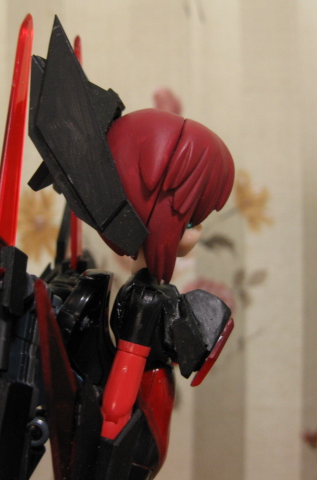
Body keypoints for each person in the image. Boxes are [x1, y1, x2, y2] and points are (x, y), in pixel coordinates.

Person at [97, 107, 235, 477]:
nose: (199, 232)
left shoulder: (151, 292)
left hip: (151, 396)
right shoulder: (146, 299)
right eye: (190, 221)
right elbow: (127, 367)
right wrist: (113, 425)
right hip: (139, 404)